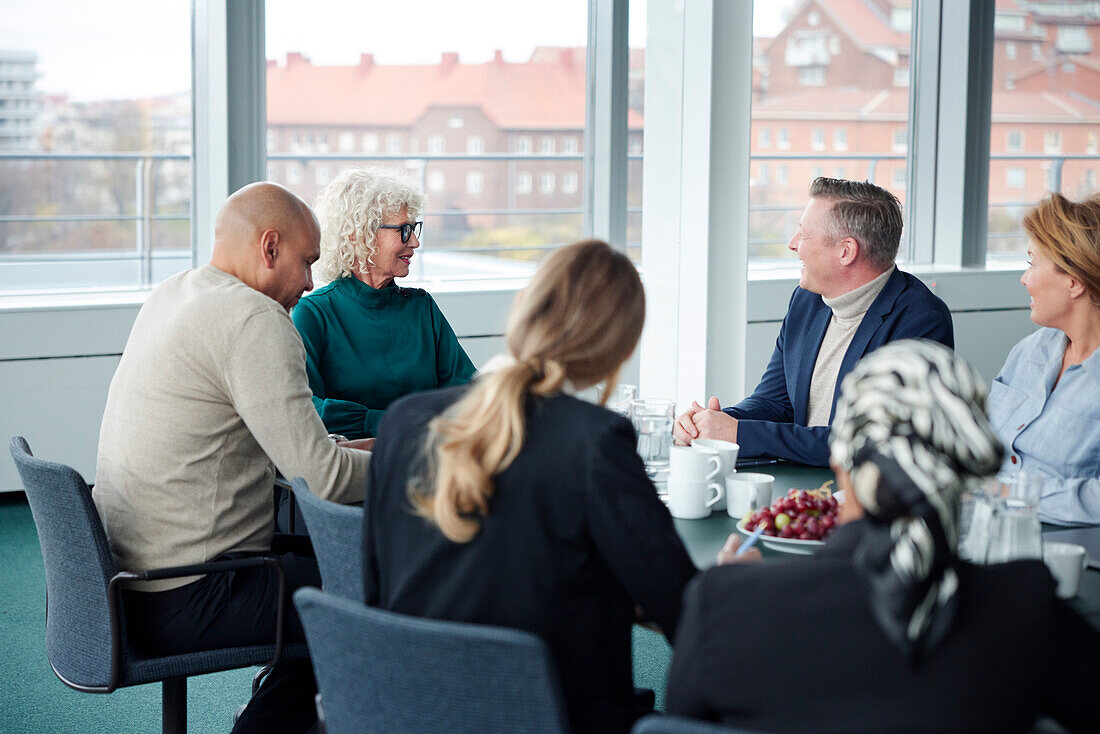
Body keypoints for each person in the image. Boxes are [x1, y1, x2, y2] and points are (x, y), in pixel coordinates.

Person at [666, 340, 1100, 733]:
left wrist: (738, 590)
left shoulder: (725, 605)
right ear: (967, 465)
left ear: (841, 461)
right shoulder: (1026, 607)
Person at [363, 240, 697, 734]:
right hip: (550, 717)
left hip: (412, 710)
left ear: (520, 310)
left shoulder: (404, 421)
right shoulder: (595, 443)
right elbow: (683, 611)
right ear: (622, 350)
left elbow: (378, 594)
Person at [93, 182, 372, 734]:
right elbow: (325, 480)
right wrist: (429, 459)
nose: (311, 283)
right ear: (270, 248)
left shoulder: (176, 293)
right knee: (371, 588)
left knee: (338, 566)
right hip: (193, 591)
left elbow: (271, 444)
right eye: (306, 261)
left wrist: (367, 448)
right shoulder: (255, 320)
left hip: (129, 580)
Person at [674, 177, 953, 466]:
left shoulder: (921, 321)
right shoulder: (807, 301)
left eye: (804, 235)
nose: (792, 245)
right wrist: (713, 423)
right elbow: (775, 402)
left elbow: (868, 442)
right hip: (805, 486)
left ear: (846, 251)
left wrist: (740, 433)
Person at [292, 168, 476, 440]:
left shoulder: (421, 308)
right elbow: (305, 409)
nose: (414, 241)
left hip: (430, 457)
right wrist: (394, 422)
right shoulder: (315, 313)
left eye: (414, 228)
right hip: (357, 466)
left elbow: (470, 392)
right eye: (403, 230)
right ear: (358, 235)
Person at [989, 193, 1100, 526]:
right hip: (987, 526)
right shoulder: (1030, 351)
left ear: (1074, 281)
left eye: (1031, 263)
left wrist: (1008, 492)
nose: (1025, 279)